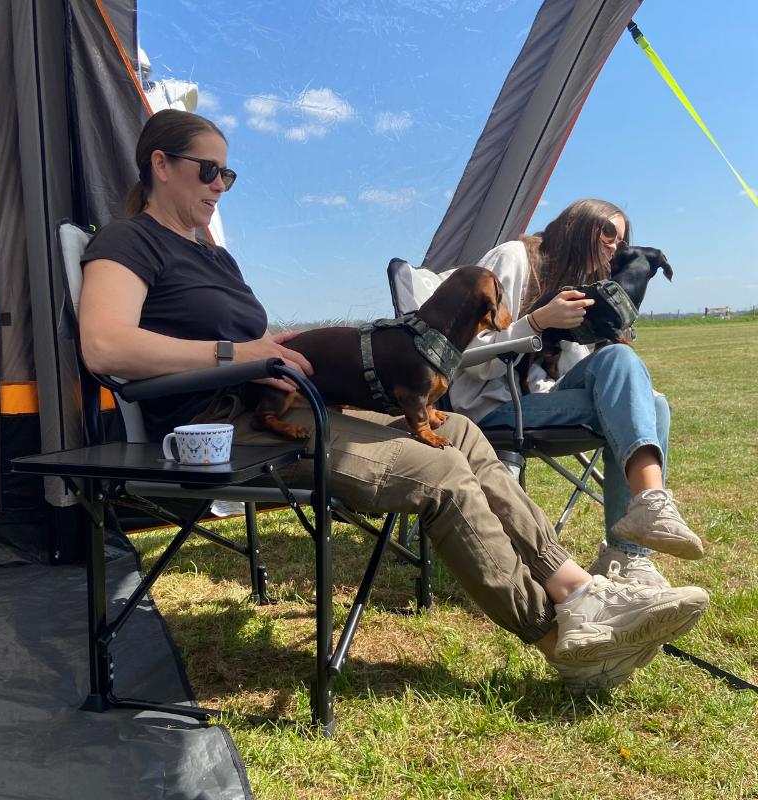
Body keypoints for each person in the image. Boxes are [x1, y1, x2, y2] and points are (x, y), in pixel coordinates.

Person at [78, 110, 709, 692]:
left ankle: (577, 591)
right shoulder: (127, 243)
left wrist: (274, 344)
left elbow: (243, 339)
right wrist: (234, 355)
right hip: (226, 431)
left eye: (229, 174)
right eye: (208, 170)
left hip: (286, 403)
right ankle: (559, 638)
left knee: (460, 433)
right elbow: (106, 347)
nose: (220, 185)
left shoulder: (212, 255)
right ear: (159, 164)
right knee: (437, 471)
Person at [449, 199, 703, 588]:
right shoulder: (515, 259)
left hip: (542, 400)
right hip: (490, 408)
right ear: (577, 226)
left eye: (622, 238)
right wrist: (535, 322)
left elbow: (581, 370)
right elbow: (460, 355)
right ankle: (635, 539)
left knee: (651, 399)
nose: (615, 245)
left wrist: (603, 331)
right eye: (607, 232)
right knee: (645, 404)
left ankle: (630, 551)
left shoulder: (582, 287)